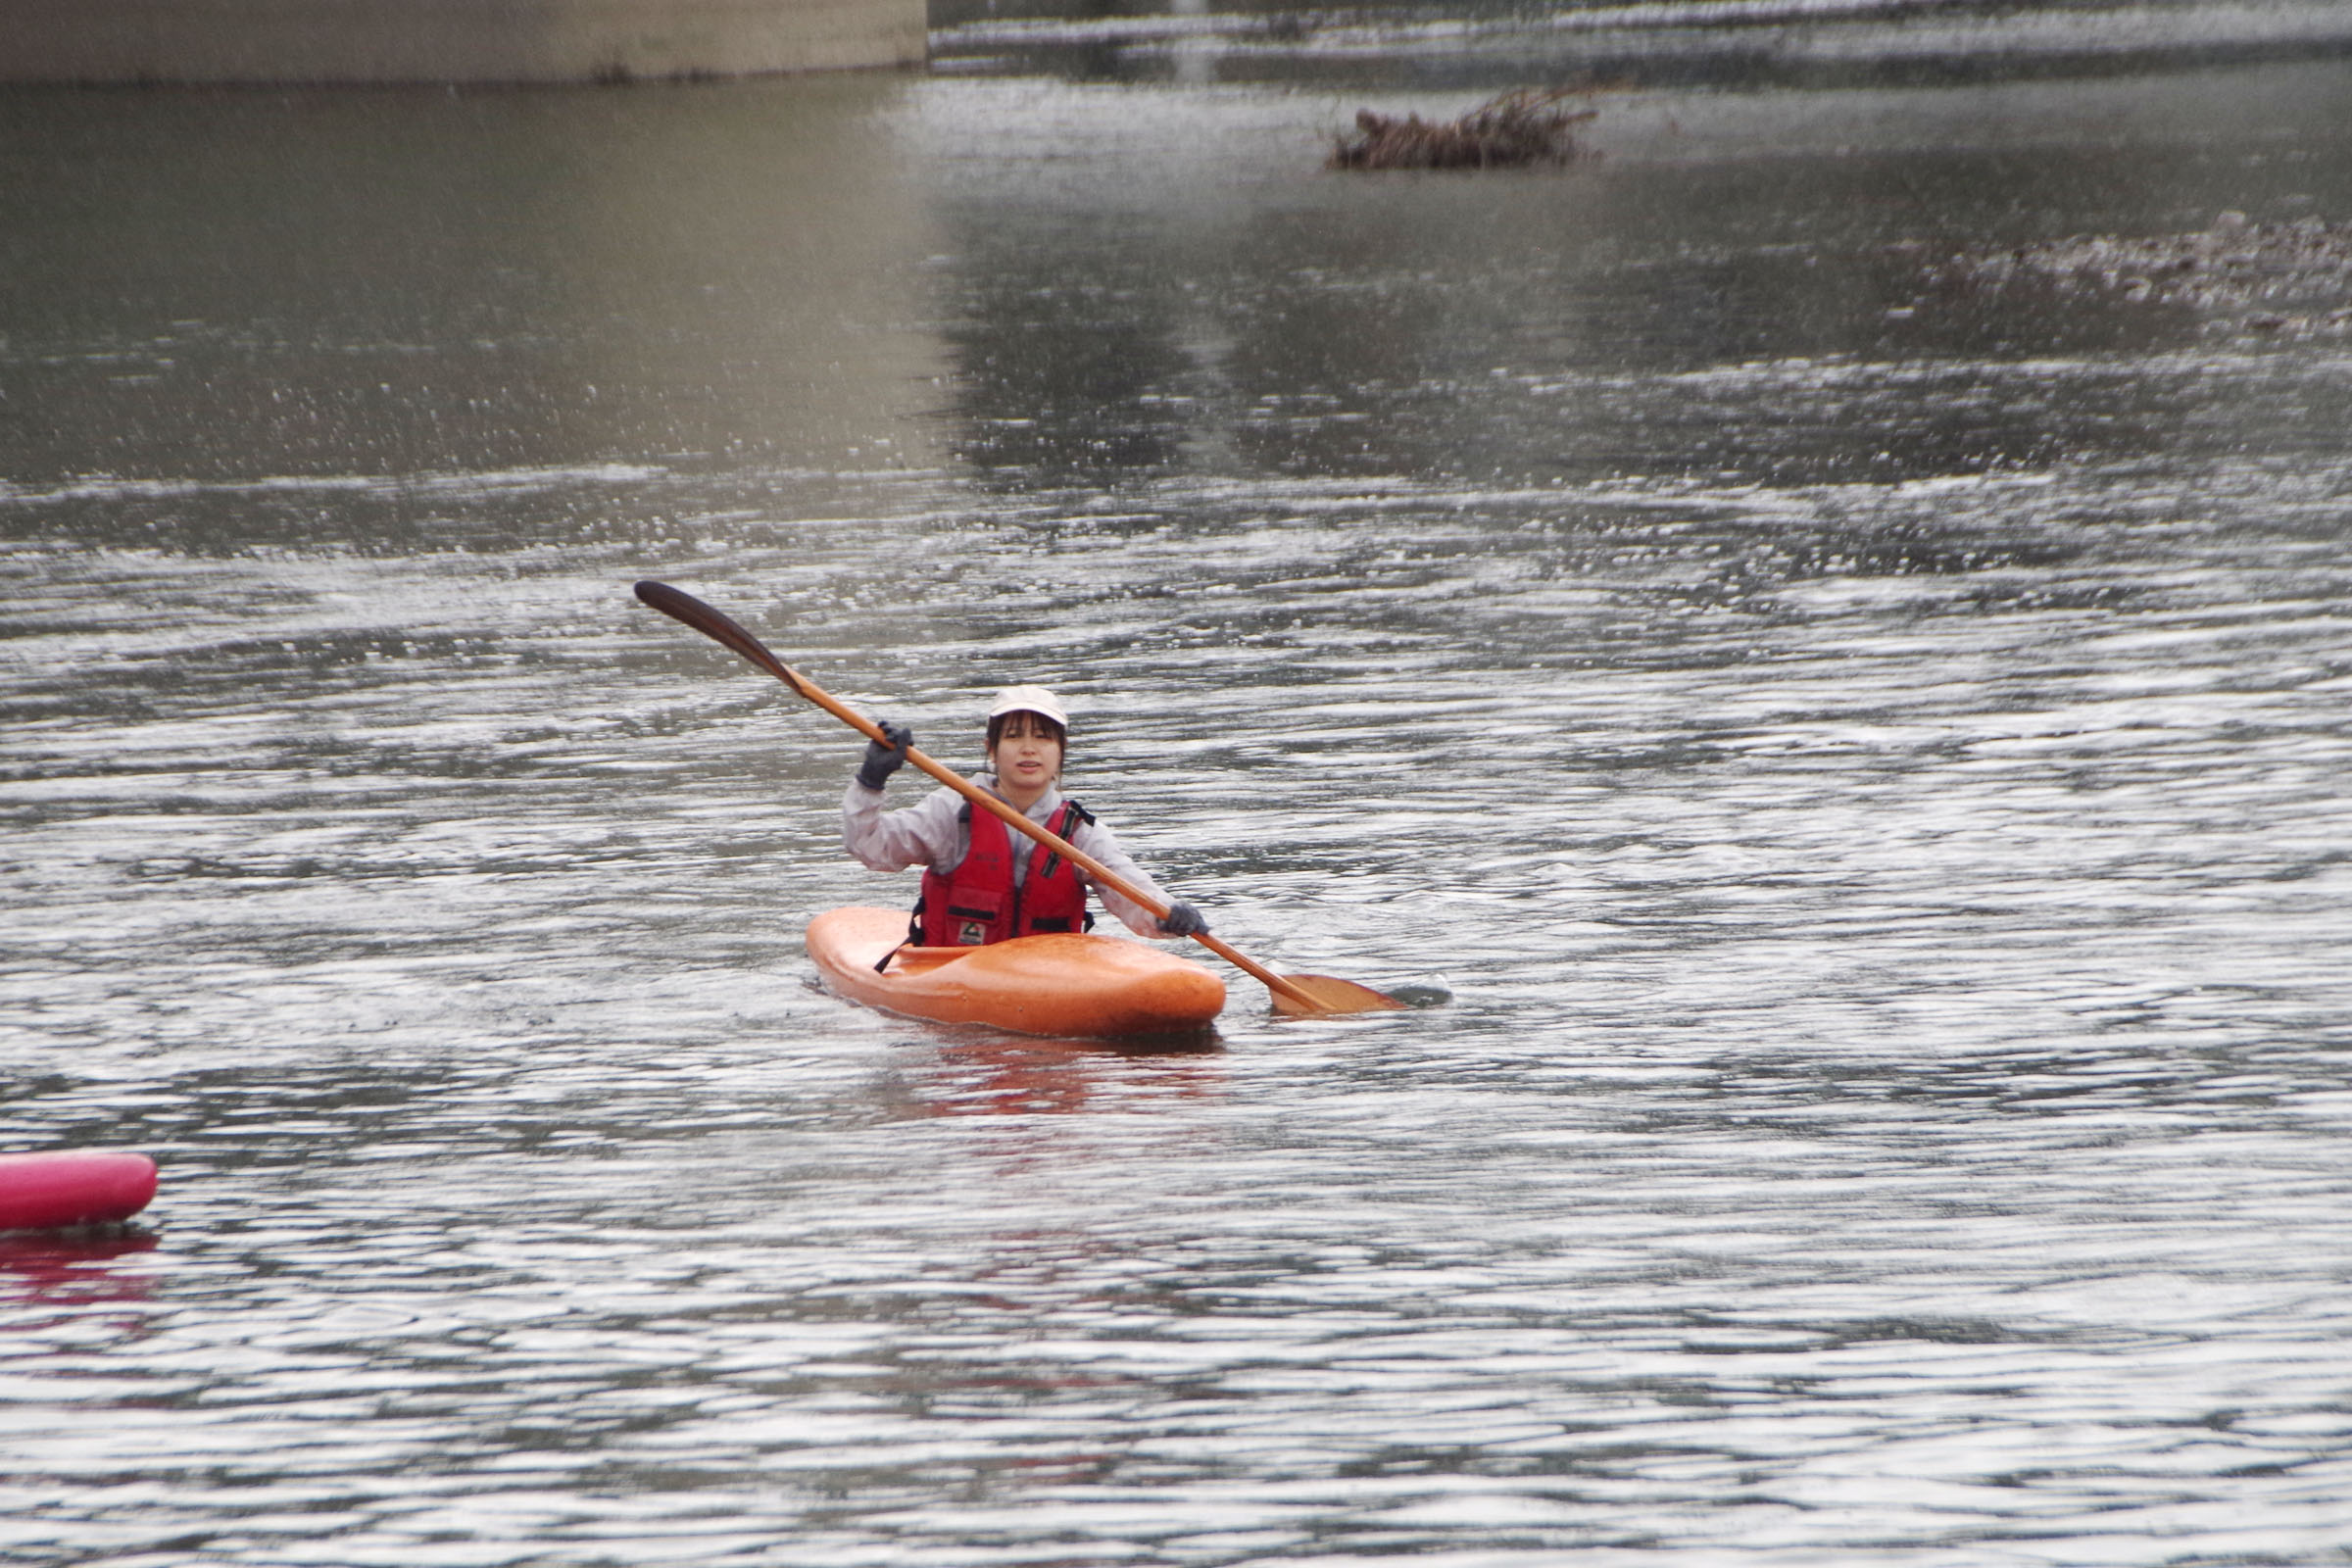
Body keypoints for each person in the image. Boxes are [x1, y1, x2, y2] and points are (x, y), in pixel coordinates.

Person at [842, 685, 1208, 949]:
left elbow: (1126, 885)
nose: (1029, 748)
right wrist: (871, 780)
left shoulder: (1076, 830)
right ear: (992, 749)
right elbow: (869, 847)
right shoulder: (953, 810)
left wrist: (1168, 914)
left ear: (1060, 752)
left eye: (1044, 738)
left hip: (1044, 977)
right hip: (954, 969)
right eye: (1014, 736)